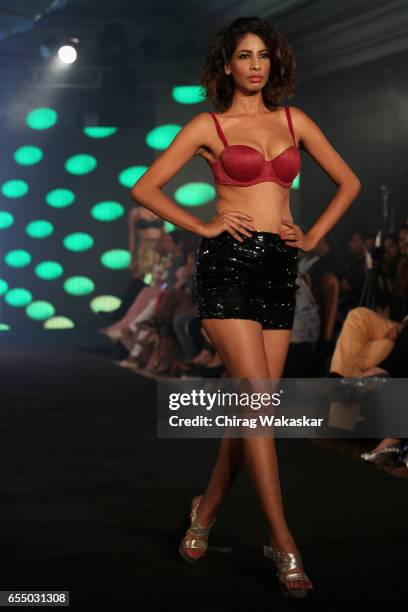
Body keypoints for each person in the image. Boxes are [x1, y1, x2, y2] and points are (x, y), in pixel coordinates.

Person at [130, 16, 361, 598]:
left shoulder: (294, 120)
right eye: (244, 56)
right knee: (257, 407)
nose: (255, 65)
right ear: (226, 65)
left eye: (263, 55)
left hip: (279, 270)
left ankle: (204, 511)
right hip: (228, 267)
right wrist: (204, 224)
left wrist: (310, 236)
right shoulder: (208, 125)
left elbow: (349, 182)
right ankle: (283, 542)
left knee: (251, 411)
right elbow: (145, 188)